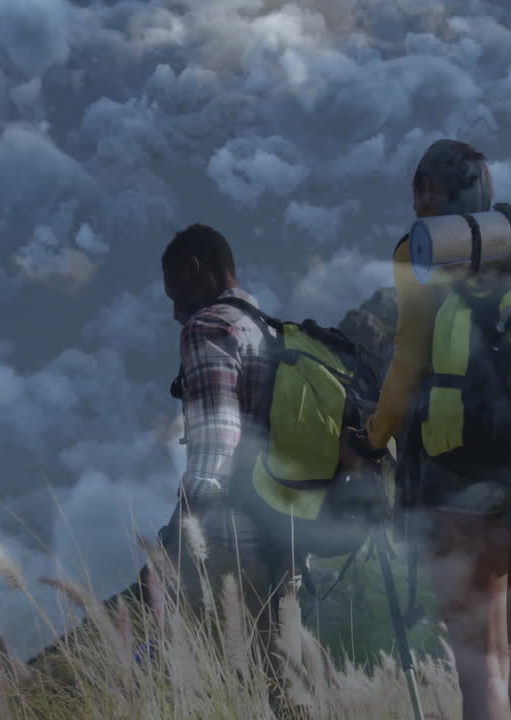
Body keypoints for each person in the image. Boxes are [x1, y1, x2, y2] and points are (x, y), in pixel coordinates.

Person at [354, 139, 511, 720]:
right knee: (510, 649)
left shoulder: (424, 250)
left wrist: (374, 438)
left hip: (466, 470)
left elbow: (408, 363)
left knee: (480, 664)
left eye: (417, 193)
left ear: (428, 192)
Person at [158, 222, 299, 716]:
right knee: (287, 684)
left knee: (231, 692)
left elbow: (217, 437)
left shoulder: (208, 327)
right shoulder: (272, 330)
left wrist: (182, 520)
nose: (175, 311)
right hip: (288, 532)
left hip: (229, 540)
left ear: (196, 269)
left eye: (175, 294)